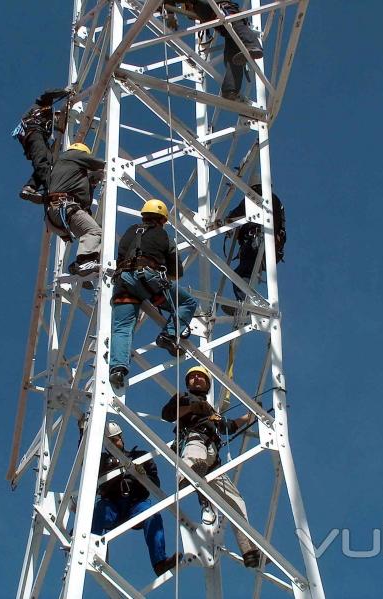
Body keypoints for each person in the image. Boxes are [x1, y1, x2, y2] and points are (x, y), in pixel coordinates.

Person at [161, 366, 261, 568]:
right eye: (193, 377)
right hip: (194, 440)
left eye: (201, 377)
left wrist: (249, 416)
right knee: (195, 452)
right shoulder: (182, 398)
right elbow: (168, 414)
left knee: (236, 502)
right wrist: (192, 408)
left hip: (213, 459)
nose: (197, 379)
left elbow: (228, 426)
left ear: (207, 384)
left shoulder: (212, 411)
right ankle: (186, 477)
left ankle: (248, 548)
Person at [108, 199, 198, 389]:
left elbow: (122, 256)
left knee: (122, 328)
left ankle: (117, 369)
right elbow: (177, 272)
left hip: (123, 282)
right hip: (148, 278)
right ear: (162, 220)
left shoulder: (129, 232)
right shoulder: (163, 235)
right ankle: (169, 335)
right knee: (187, 303)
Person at [93, 422, 179, 576]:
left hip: (136, 505)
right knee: (99, 511)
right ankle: (91, 550)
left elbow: (155, 483)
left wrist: (143, 476)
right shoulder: (101, 461)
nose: (114, 444)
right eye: (110, 442)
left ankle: (160, 562)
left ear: (121, 438)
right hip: (112, 505)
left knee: (152, 514)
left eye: (115, 440)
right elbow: (84, 460)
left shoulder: (140, 456)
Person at [224, 174, 286, 312]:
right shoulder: (275, 201)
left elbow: (234, 215)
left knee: (241, 273)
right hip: (271, 247)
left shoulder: (255, 198)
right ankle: (247, 302)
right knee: (246, 272)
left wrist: (225, 221)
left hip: (256, 244)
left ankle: (246, 303)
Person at [45, 142, 106, 277]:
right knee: (95, 232)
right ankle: (84, 262)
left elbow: (84, 180)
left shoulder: (66, 168)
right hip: (64, 207)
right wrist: (111, 168)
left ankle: (81, 265)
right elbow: (98, 164)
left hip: (55, 215)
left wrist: (93, 180)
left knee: (95, 235)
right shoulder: (73, 155)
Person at [183, 1, 263, 100]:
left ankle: (253, 46)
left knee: (236, 25)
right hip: (224, 26)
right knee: (232, 56)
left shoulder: (200, 5)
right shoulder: (199, 9)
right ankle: (230, 89)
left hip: (227, 14)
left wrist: (170, 14)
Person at [12, 87, 71, 203]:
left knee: (49, 163)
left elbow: (60, 127)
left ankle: (31, 187)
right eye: (57, 115)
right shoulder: (42, 105)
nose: (57, 118)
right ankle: (52, 187)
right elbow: (48, 94)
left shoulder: (48, 125)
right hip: (33, 133)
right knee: (42, 161)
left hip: (36, 137)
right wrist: (65, 92)